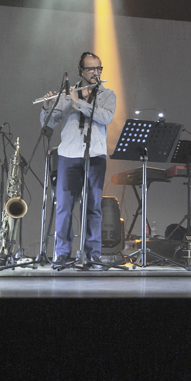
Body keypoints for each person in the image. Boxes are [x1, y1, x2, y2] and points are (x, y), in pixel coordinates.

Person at [40, 52, 117, 268]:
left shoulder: (107, 94)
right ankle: (62, 253)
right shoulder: (66, 95)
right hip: (68, 155)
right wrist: (47, 107)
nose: (96, 73)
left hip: (95, 155)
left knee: (93, 206)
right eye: (91, 69)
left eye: (99, 69)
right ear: (81, 71)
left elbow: (106, 117)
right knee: (64, 206)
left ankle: (92, 253)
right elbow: (48, 124)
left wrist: (79, 103)